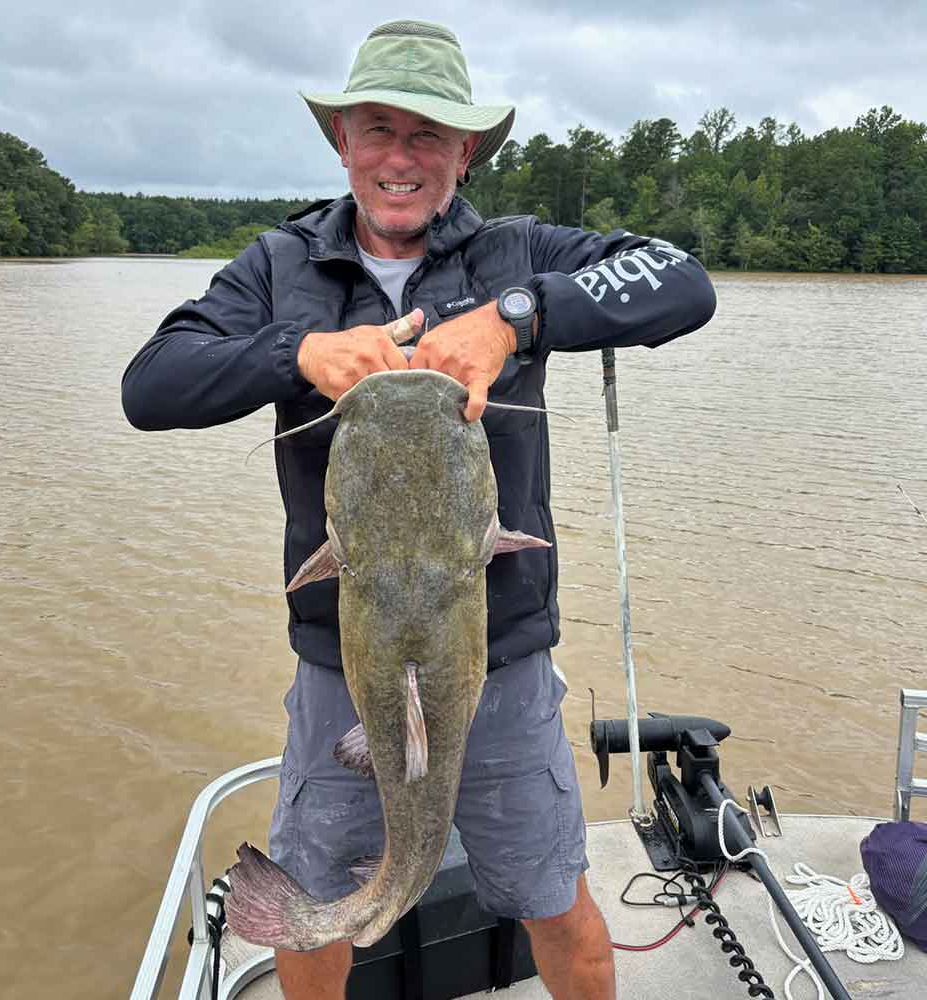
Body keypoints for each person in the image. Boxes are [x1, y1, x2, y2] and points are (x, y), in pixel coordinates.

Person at [122, 19, 715, 1000]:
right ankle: (327, 909)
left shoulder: (516, 252)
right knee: (311, 904)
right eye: (376, 128)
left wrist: (519, 316)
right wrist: (298, 353)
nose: (399, 156)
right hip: (336, 672)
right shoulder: (277, 267)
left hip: (505, 664)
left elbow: (680, 280)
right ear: (340, 140)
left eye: (428, 135)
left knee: (553, 897)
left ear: (465, 150)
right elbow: (153, 383)